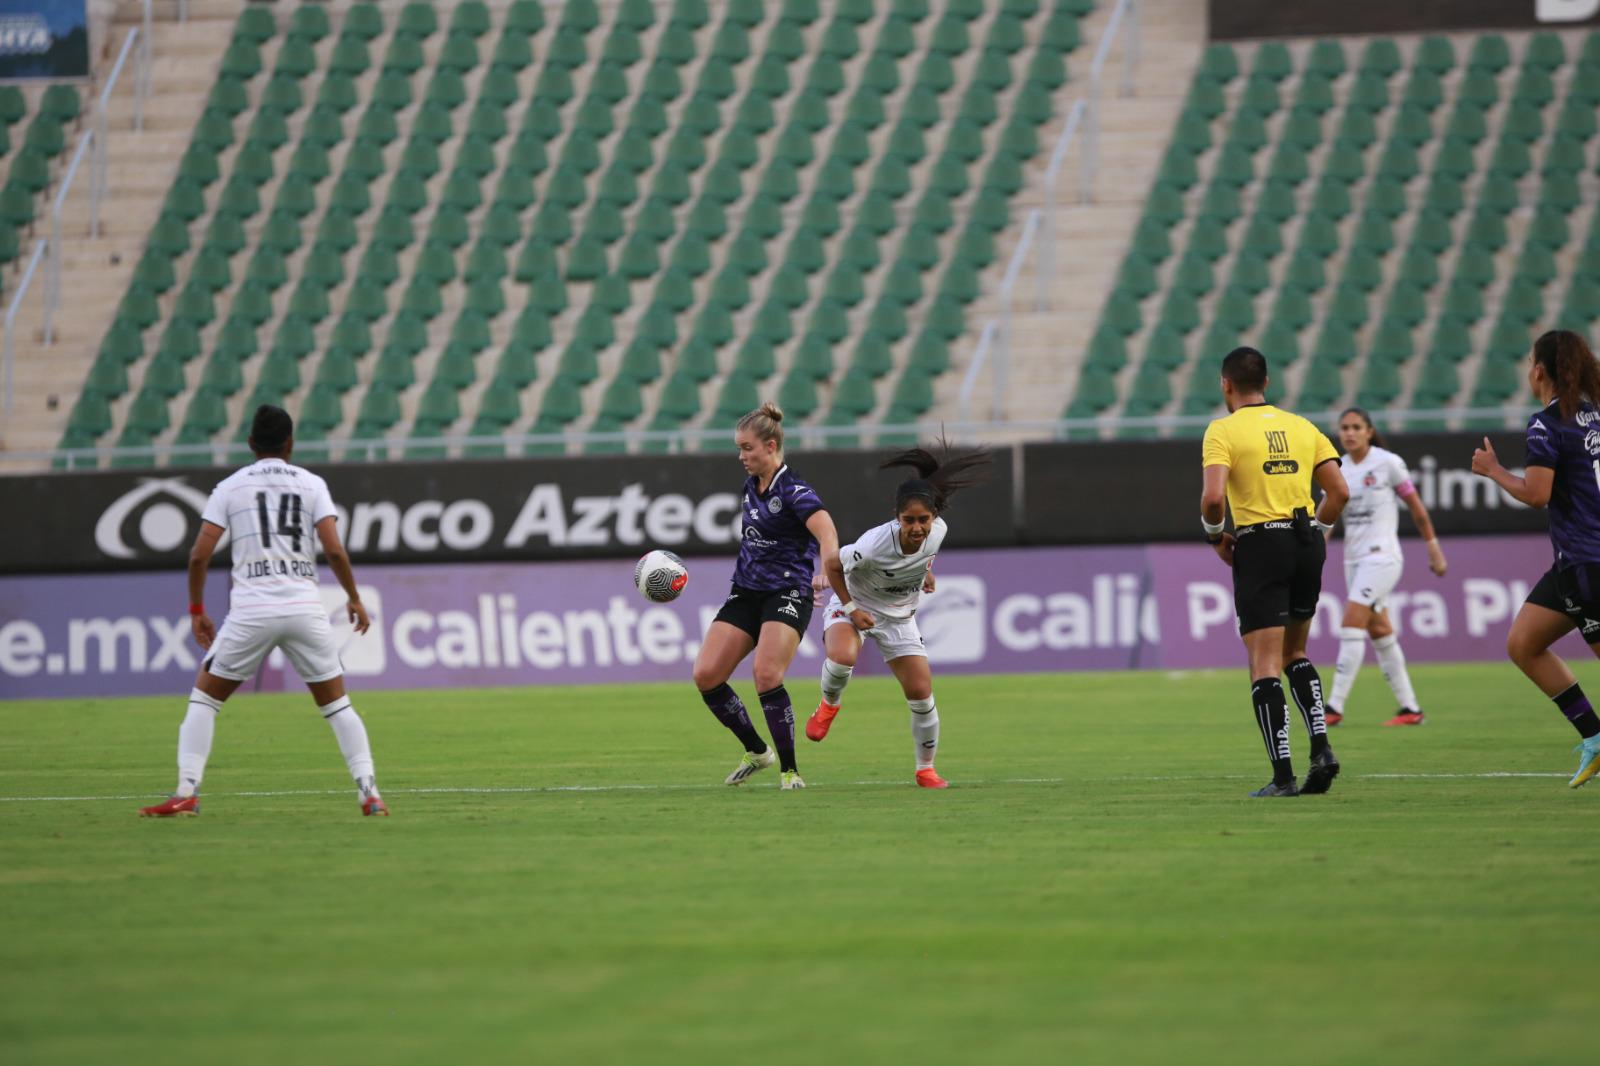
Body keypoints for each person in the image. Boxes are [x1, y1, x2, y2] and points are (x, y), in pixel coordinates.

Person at [140, 405, 386, 817]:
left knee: (204, 701)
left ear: (250, 443)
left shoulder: (230, 487)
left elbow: (199, 556)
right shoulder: (312, 484)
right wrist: (354, 598)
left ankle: (187, 792)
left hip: (252, 611)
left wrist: (197, 609)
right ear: (290, 443)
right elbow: (334, 549)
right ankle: (370, 794)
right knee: (338, 707)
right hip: (305, 609)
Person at [1200, 347, 1350, 797]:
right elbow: (1339, 491)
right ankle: (1321, 748)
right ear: (1266, 383)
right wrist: (1319, 532)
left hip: (1260, 544)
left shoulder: (1222, 431)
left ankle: (1283, 776)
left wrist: (1214, 535)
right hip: (1305, 539)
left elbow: (1212, 499)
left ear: (1226, 385)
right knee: (1296, 653)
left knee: (1263, 664)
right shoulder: (1303, 426)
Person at [804, 441, 992, 788]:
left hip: (899, 617)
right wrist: (851, 608)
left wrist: (926, 572)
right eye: (909, 520)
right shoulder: (873, 545)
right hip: (855, 603)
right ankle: (829, 705)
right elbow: (831, 565)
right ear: (896, 517)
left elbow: (925, 554)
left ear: (934, 517)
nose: (917, 527)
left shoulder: (938, 532)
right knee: (843, 657)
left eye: (924, 519)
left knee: (922, 695)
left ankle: (926, 769)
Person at [1471, 329, 1600, 788]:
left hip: (1588, 562)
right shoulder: (1595, 418)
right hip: (1573, 562)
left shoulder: (1546, 424)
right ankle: (1594, 735)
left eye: (1530, 362)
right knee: (1523, 643)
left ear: (1539, 371)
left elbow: (1536, 493)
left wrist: (1493, 470)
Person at [691, 402, 842, 790]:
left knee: (766, 674)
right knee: (707, 676)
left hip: (788, 590)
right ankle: (757, 751)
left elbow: (826, 531)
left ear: (771, 446)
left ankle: (790, 771)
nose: (741, 456)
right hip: (746, 591)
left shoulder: (794, 491)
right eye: (739, 448)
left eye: (747, 448)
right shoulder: (751, 486)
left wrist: (826, 567)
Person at [1324, 407, 1449, 728]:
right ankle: (1410, 708)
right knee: (1379, 630)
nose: (1349, 433)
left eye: (1356, 427)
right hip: (1353, 560)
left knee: (1352, 621)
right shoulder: (1336, 469)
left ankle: (1333, 707)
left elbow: (1417, 509)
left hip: (1382, 557)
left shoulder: (1387, 463)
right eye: (1345, 428)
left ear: (1369, 431)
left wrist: (1433, 549)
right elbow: (1327, 519)